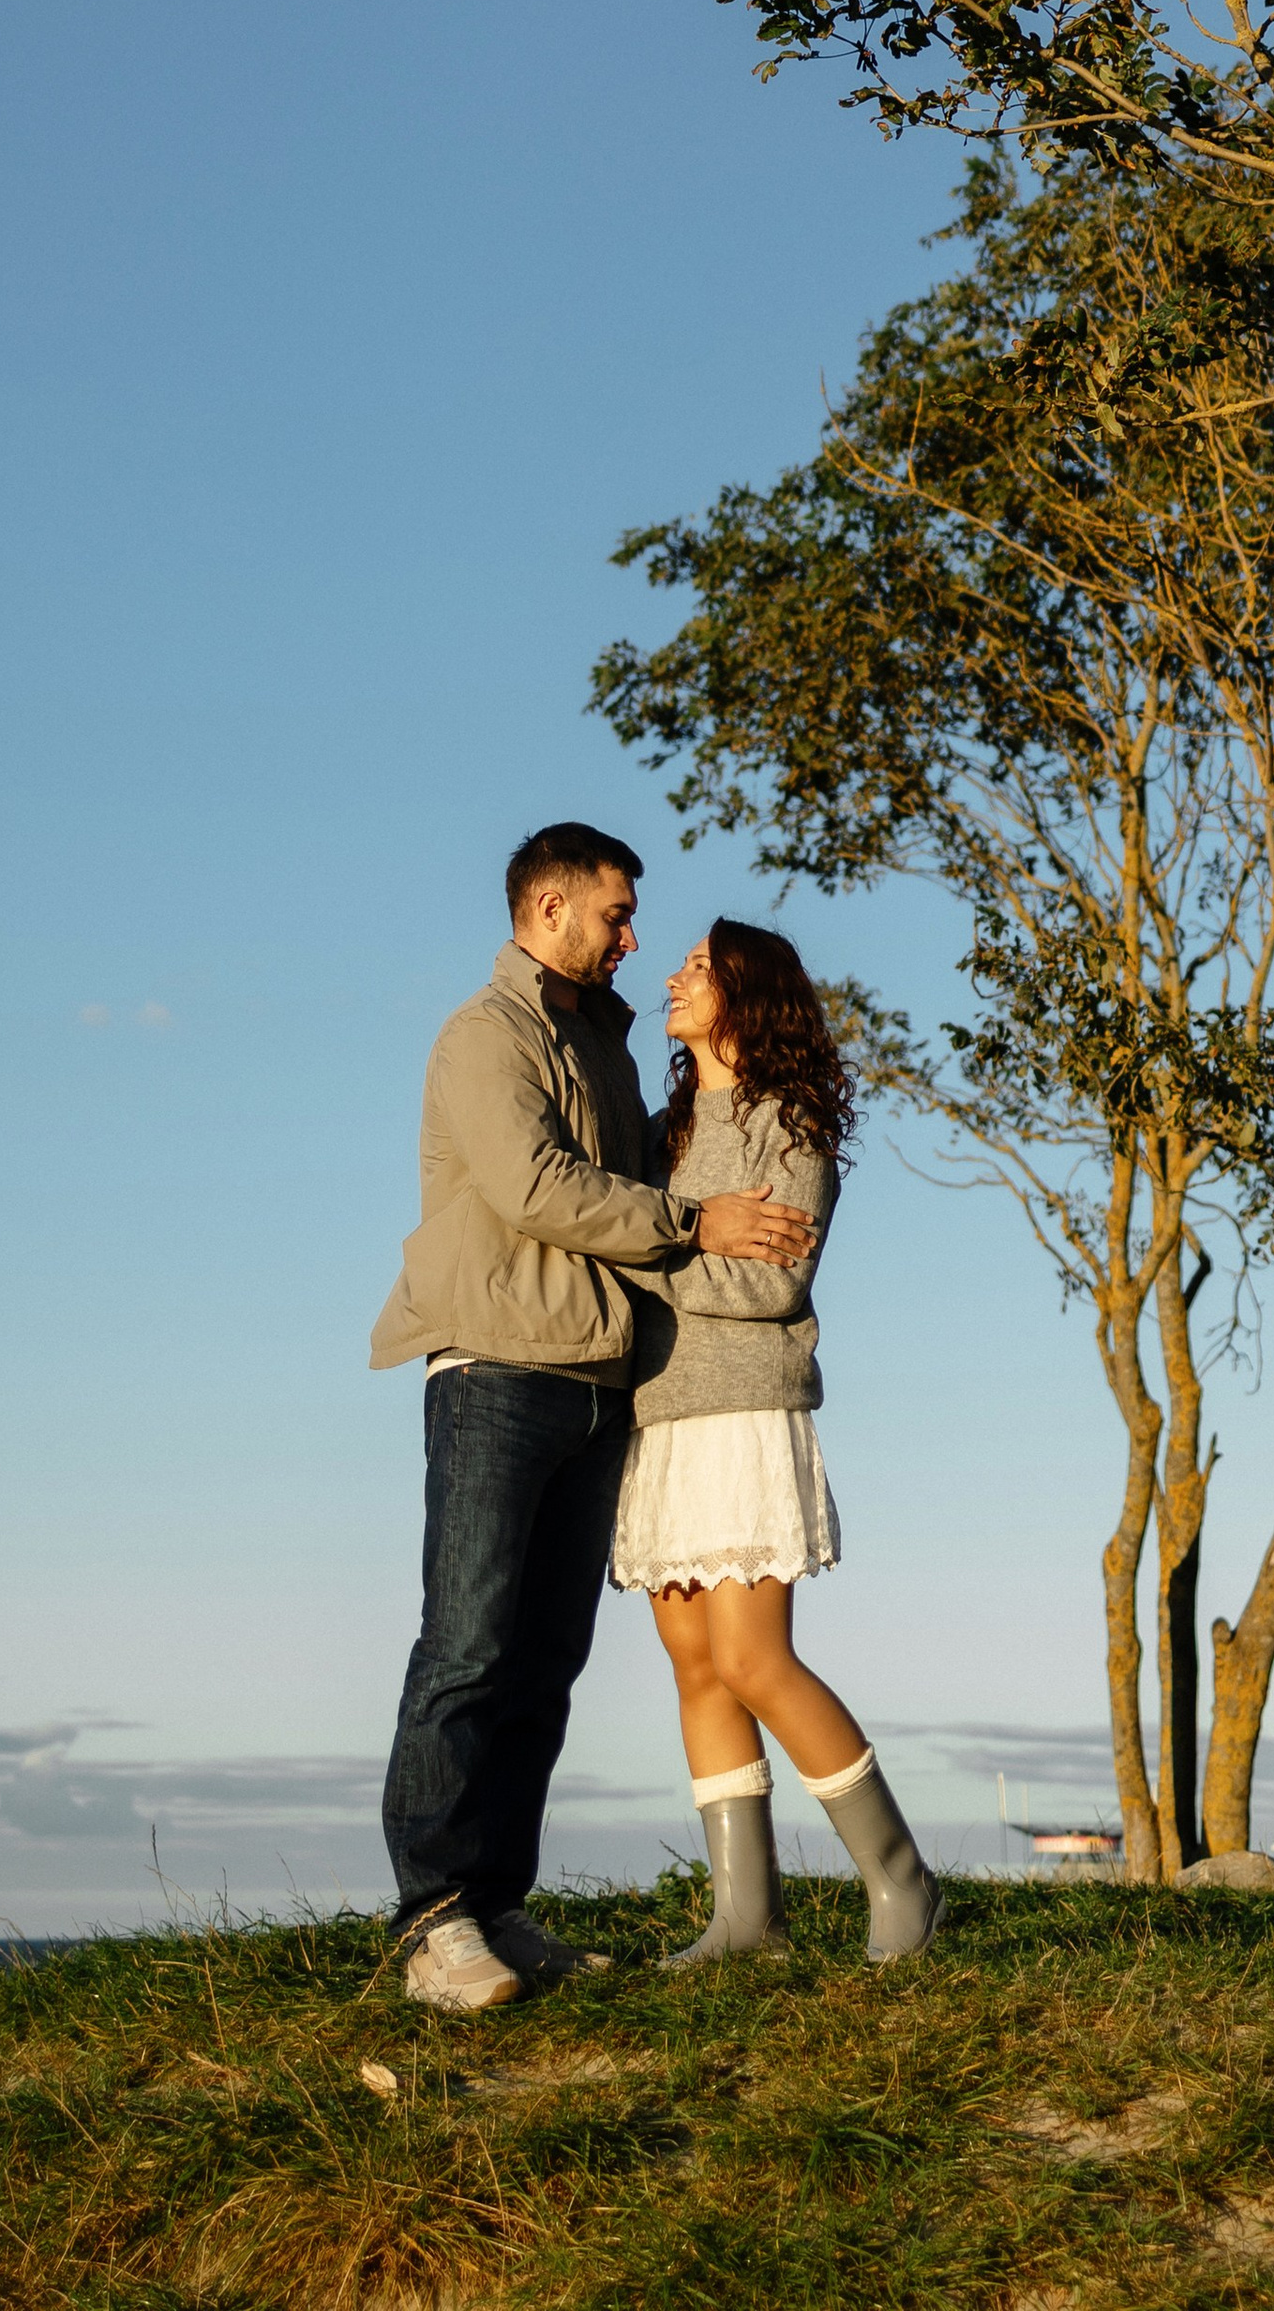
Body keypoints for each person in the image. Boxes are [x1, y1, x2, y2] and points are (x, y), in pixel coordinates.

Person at [371, 825, 815, 2013]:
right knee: (467, 1643)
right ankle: (432, 1920)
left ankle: (498, 1906)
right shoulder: (485, 1035)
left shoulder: (604, 1047)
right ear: (549, 905)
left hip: (596, 1381)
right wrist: (698, 1226)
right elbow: (537, 1189)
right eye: (616, 915)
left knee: (546, 1660)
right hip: (495, 1369)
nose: (630, 938)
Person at [612, 918, 939, 1967]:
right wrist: (687, 1232)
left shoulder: (784, 1127)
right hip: (656, 1414)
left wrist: (652, 1258)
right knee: (695, 1665)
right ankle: (746, 1919)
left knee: (755, 1658)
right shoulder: (660, 1137)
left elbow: (768, 1284)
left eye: (700, 967)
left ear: (747, 996)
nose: (675, 975)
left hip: (746, 1412)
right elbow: (660, 1243)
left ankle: (903, 1881)